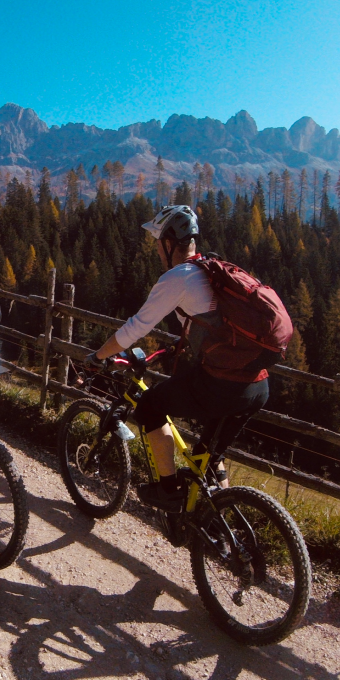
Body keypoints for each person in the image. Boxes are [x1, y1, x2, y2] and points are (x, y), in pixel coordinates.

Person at [89, 204, 270, 511]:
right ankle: (223, 522)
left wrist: (98, 355)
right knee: (208, 455)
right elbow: (215, 326)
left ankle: (168, 490)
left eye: (158, 243)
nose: (156, 251)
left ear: (169, 243)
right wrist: (180, 346)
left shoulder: (178, 277)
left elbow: (136, 327)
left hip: (223, 384)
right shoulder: (212, 267)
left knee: (149, 407)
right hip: (258, 384)